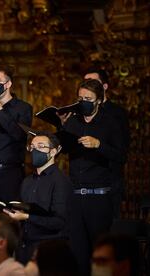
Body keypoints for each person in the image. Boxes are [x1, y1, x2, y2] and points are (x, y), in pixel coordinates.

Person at [58, 79, 126, 275]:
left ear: (98, 100)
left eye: (88, 99)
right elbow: (65, 148)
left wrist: (99, 145)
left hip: (99, 197)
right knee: (77, 253)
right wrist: (61, 131)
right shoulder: (73, 120)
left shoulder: (110, 122)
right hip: (75, 195)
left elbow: (121, 155)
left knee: (100, 253)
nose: (83, 102)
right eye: (80, 98)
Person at [4, 133, 71, 264]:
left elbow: (60, 222)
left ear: (52, 152)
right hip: (24, 246)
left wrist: (27, 217)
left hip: (48, 249)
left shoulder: (61, 181)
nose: (35, 150)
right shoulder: (27, 181)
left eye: (40, 146)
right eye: (32, 147)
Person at [0, 65, 33, 218]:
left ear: (8, 84)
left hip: (11, 173)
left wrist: (1, 112)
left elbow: (20, 135)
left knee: (12, 220)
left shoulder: (23, 108)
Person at [84, 67, 130, 218]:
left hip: (109, 182)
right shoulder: (79, 114)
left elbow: (121, 152)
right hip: (84, 180)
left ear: (104, 87)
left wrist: (99, 144)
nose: (88, 85)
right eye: (86, 82)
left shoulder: (117, 114)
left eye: (93, 82)